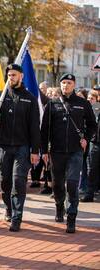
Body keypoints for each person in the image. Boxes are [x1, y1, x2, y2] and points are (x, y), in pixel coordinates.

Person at [0, 64, 40, 232]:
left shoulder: (29, 98)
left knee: (18, 181)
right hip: (4, 146)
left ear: (21, 76)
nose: (11, 78)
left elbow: (34, 127)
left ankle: (17, 217)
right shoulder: (1, 96)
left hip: (22, 147)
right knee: (5, 181)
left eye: (14, 75)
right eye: (9, 75)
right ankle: (8, 207)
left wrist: (35, 151)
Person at [41, 73, 96, 233]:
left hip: (75, 151)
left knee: (72, 184)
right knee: (57, 185)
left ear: (74, 84)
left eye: (69, 83)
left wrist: (86, 138)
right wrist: (44, 150)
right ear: (60, 85)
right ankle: (59, 207)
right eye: (63, 83)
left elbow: (93, 125)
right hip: (56, 151)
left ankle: (71, 217)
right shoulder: (52, 104)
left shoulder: (82, 103)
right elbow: (44, 130)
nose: (66, 85)